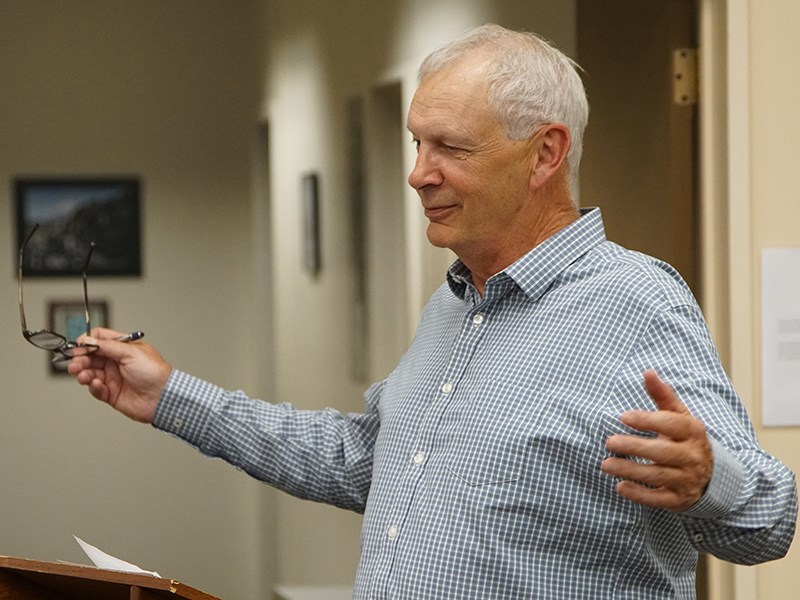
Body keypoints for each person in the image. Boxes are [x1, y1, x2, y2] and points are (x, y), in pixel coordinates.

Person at [69, 23, 796, 599]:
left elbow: (770, 522)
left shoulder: (636, 300)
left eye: (449, 147)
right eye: (417, 142)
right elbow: (364, 463)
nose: (419, 173)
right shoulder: (453, 305)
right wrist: (170, 396)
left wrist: (708, 482)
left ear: (545, 154)